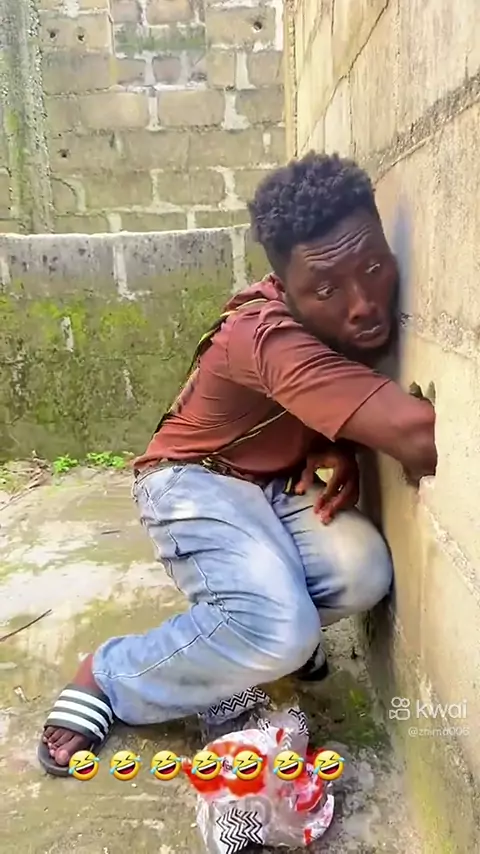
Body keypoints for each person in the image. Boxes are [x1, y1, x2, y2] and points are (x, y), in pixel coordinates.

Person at [39, 152, 437, 776]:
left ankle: (251, 642)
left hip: (270, 483)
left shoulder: (332, 319)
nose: (363, 304)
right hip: (191, 480)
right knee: (281, 630)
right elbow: (420, 436)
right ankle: (111, 674)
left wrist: (339, 446)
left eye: (373, 267)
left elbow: (321, 408)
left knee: (364, 573)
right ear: (285, 287)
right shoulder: (266, 337)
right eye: (326, 289)